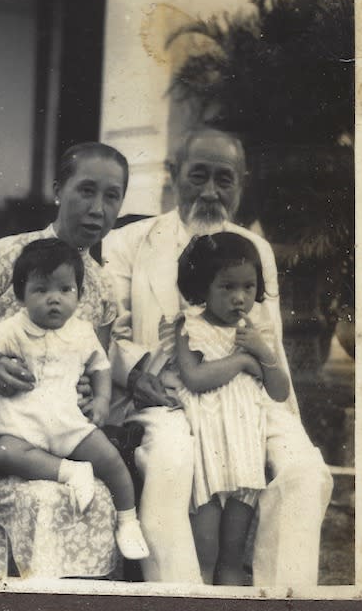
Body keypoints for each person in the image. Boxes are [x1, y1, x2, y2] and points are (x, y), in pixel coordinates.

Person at [102, 126, 333, 586]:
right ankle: (181, 591)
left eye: (224, 179)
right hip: (164, 395)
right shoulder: (127, 243)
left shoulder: (255, 251)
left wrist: (286, 420)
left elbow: (269, 339)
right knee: (172, 460)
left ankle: (284, 595)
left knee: (304, 469)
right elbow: (112, 333)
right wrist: (133, 376)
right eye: (198, 176)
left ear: (241, 183)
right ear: (173, 175)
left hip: (247, 395)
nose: (210, 192)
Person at [0, 141, 130, 578]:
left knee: (96, 500)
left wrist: (85, 390)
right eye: (86, 190)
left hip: (57, 443)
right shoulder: (6, 257)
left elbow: (94, 370)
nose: (98, 208)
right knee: (47, 503)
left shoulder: (102, 289)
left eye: (112, 197)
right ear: (59, 190)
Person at [0, 238, 149, 560]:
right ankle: (70, 472)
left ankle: (128, 521)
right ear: (21, 296)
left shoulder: (82, 331)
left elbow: (100, 367)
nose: (54, 300)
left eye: (65, 290)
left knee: (112, 461)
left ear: (78, 293)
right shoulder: (10, 329)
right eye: (41, 290)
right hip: (24, 424)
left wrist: (100, 401)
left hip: (68, 423)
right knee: (4, 453)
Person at [163, 232, 289, 585]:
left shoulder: (255, 332)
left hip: (245, 455)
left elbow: (279, 391)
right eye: (227, 287)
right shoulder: (192, 326)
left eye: (249, 288)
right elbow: (195, 378)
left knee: (233, 559)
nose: (240, 298)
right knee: (206, 554)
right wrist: (242, 364)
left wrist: (264, 355)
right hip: (208, 453)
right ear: (203, 287)